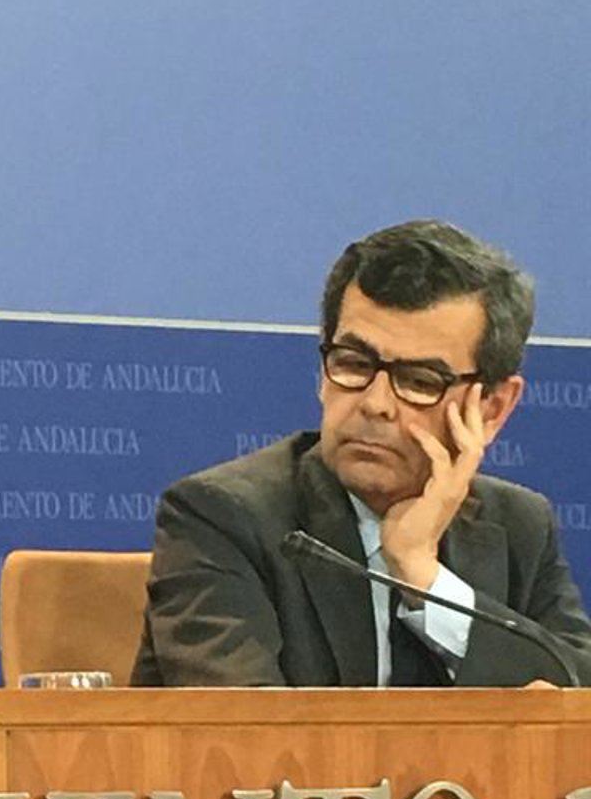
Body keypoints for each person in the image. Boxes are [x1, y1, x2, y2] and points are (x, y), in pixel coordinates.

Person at [132, 218, 591, 688]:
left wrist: (422, 575)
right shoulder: (221, 517)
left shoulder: (519, 526)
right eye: (354, 363)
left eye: (419, 381)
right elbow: (243, 724)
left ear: (492, 408)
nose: (375, 404)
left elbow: (577, 696)